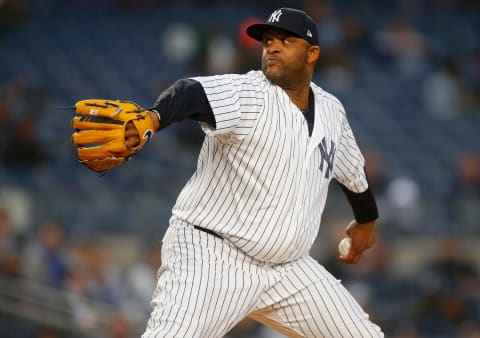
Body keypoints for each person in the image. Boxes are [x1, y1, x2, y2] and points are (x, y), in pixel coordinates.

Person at [106, 7, 383, 337]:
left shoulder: (331, 111)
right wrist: (153, 118)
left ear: (312, 53)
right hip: (213, 256)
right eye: (268, 40)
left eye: (285, 40)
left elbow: (353, 172)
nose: (273, 47)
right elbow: (190, 92)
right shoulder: (249, 93)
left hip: (289, 270)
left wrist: (366, 220)